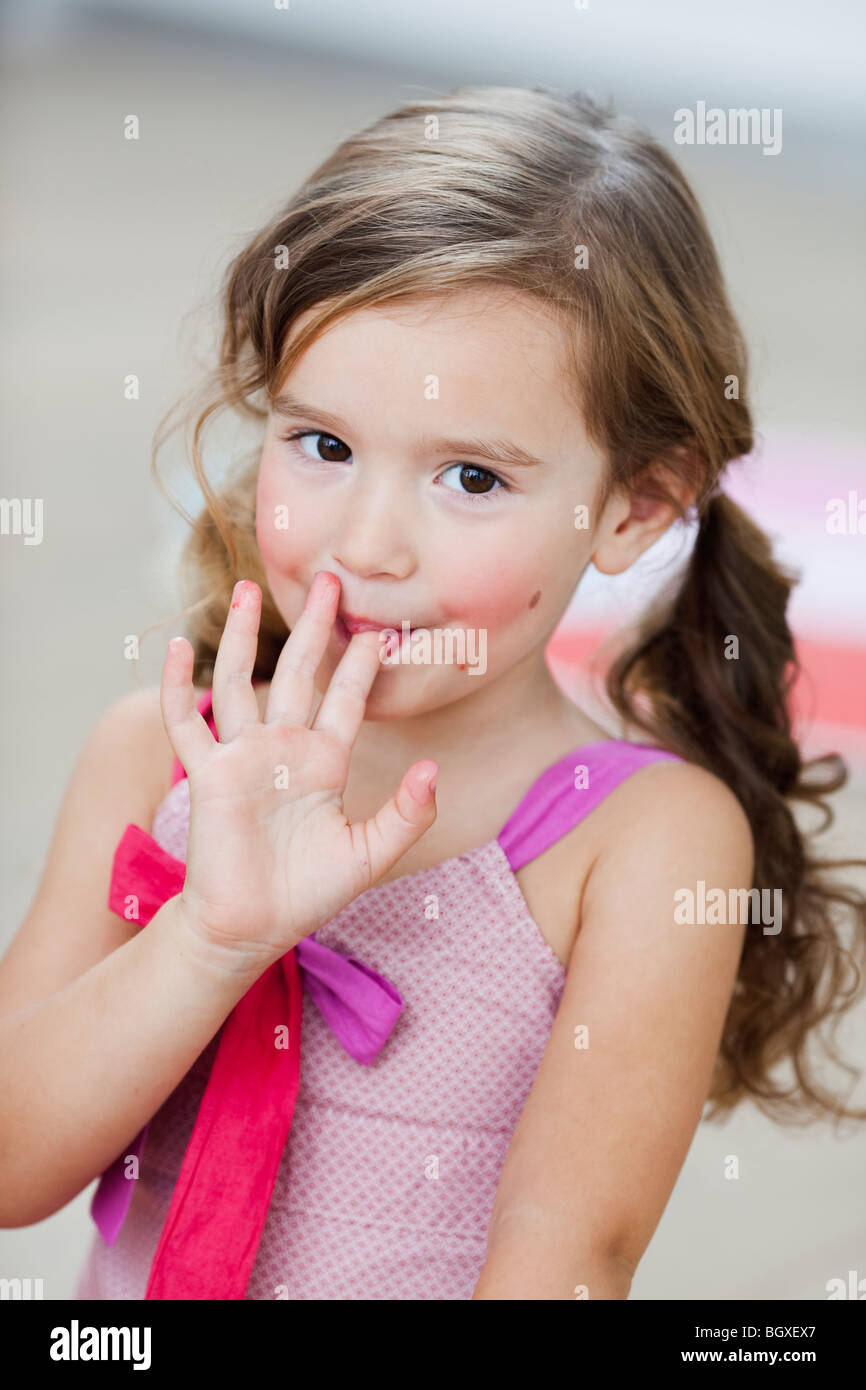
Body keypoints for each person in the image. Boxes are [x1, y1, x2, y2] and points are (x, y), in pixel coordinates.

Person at [2, 86, 864, 1301]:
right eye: (324, 446)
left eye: (469, 475)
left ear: (634, 505)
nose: (368, 544)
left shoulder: (643, 845)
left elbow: (567, 1261)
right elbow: (11, 1163)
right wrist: (209, 938)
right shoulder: (156, 753)